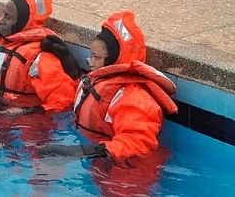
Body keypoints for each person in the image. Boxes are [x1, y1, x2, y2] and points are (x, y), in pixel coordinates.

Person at [44, 10, 178, 163]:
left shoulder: (134, 97)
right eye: (91, 55)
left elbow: (137, 143)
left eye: (97, 58)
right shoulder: (102, 81)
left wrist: (84, 151)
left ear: (114, 60)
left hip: (130, 169)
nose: (91, 62)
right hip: (104, 158)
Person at [0, 0, 81, 114]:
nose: (1, 21)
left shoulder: (38, 55)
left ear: (22, 22)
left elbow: (64, 100)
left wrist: (25, 112)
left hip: (29, 119)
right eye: (3, 15)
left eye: (8, 17)